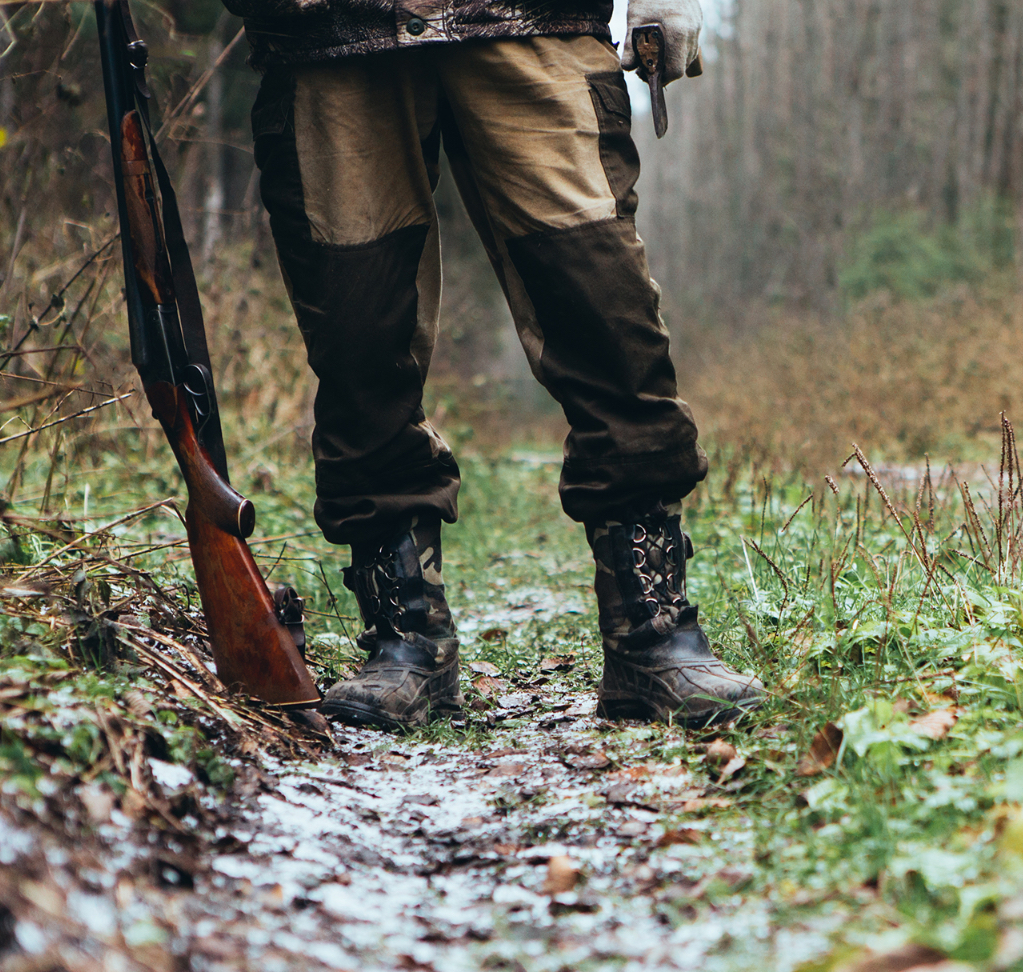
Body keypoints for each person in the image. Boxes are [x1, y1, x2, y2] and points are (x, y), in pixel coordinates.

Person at [222, 0, 762, 730]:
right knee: (357, 336)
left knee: (605, 312)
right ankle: (406, 638)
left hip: (533, 20)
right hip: (328, 29)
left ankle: (653, 631)